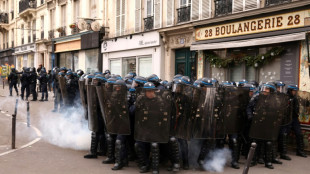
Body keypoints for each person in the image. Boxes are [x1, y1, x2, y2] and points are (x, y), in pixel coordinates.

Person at [287, 84, 307, 158]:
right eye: (294, 91)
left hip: (295, 118)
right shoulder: (286, 98)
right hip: (288, 118)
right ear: (290, 91)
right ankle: (283, 152)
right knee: (285, 134)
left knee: (299, 134)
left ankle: (300, 151)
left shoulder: (295, 98)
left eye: (295, 91)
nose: (295, 92)